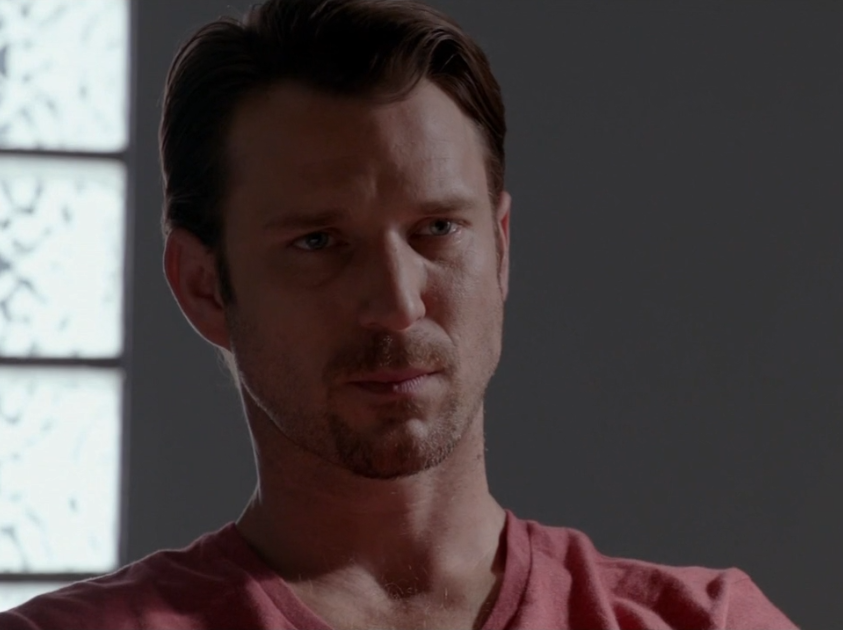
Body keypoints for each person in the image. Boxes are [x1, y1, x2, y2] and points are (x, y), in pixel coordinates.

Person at [1, 0, 799, 628]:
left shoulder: (707, 623)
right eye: (318, 242)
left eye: (437, 230)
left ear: (500, 249)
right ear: (204, 286)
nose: (395, 303)